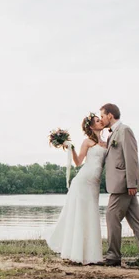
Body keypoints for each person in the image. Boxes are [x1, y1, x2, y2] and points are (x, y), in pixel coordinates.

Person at [46, 113, 107, 265]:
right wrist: (71, 148)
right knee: (80, 215)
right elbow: (79, 161)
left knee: (91, 214)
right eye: (98, 121)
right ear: (91, 126)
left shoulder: (106, 143)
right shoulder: (87, 142)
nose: (101, 122)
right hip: (83, 181)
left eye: (100, 120)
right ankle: (77, 253)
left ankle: (93, 255)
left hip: (94, 183)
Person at [99, 103, 139, 267]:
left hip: (123, 185)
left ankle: (113, 256)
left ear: (110, 115)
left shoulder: (125, 130)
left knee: (111, 216)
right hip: (121, 184)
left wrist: (131, 183)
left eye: (102, 116)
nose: (101, 119)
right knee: (136, 221)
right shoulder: (113, 134)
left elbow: (131, 158)